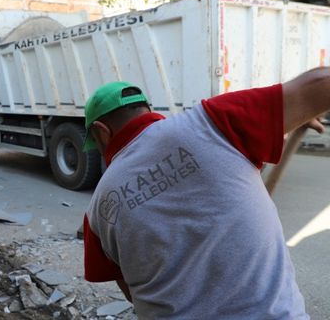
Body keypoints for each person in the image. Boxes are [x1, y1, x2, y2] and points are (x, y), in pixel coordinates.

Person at [82, 66, 330, 319]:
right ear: (147, 111)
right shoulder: (212, 122)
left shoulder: (97, 213)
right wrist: (294, 111)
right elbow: (322, 82)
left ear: (102, 132)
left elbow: (132, 293)